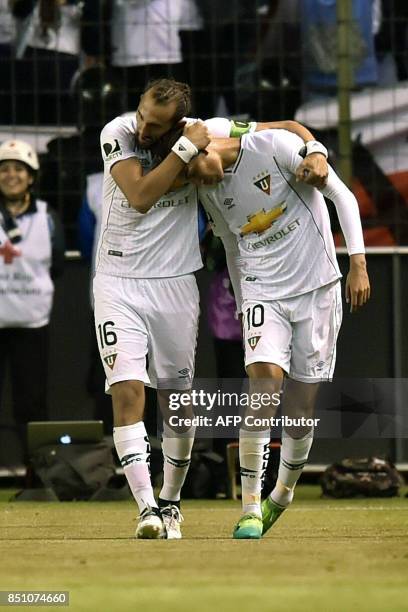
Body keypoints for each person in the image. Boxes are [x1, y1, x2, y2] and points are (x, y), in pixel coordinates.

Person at [94, 77, 330, 540]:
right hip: (117, 281)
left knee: (176, 406)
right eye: (142, 115)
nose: (143, 128)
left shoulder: (214, 129)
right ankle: (146, 509)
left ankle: (170, 501)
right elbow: (139, 197)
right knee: (126, 391)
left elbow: (284, 127)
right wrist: (185, 151)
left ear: (178, 120)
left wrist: (315, 149)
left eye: (155, 124)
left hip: (178, 282)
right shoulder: (117, 132)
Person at [169, 126, 370, 538]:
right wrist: (246, 306)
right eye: (187, 178)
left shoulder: (274, 148)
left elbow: (342, 197)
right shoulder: (208, 190)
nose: (196, 181)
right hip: (263, 291)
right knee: (263, 386)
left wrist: (359, 264)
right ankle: (249, 508)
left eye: (194, 170)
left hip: (316, 287)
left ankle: (282, 494)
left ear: (207, 147)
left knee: (299, 409)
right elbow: (229, 246)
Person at [0, 139, 64, 460]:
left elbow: (58, 267)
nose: (11, 175)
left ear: (31, 176)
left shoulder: (47, 216)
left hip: (32, 322)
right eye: (5, 169)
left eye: (18, 169)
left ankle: (37, 475)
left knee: (32, 403)